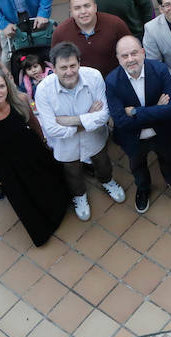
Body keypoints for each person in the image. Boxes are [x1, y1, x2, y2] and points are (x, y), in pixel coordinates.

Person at [0, 67, 70, 245]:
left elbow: (33, 121)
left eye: (1, 86)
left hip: (32, 151)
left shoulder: (20, 100)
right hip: (8, 166)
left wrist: (43, 141)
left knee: (49, 183)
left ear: (7, 87)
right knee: (25, 199)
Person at [34, 42, 127, 221]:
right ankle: (79, 195)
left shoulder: (94, 76)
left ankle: (107, 181)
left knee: (103, 162)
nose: (69, 72)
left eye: (73, 66)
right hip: (65, 145)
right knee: (72, 171)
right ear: (53, 67)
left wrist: (69, 121)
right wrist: (87, 118)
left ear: (79, 63)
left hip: (95, 137)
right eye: (63, 68)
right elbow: (52, 129)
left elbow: (104, 114)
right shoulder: (43, 90)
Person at [104, 35, 171, 213]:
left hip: (163, 132)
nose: (130, 60)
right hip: (133, 138)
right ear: (118, 59)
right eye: (124, 56)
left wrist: (135, 112)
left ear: (143, 53)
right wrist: (157, 109)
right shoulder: (111, 82)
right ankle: (143, 189)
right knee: (137, 165)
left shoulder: (160, 70)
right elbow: (120, 121)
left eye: (134, 53)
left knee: (169, 159)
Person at [51, 0, 131, 73]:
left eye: (87, 6)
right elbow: (56, 64)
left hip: (114, 81)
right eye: (77, 8)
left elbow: (131, 51)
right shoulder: (60, 33)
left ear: (95, 7)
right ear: (71, 12)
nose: (83, 11)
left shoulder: (115, 24)